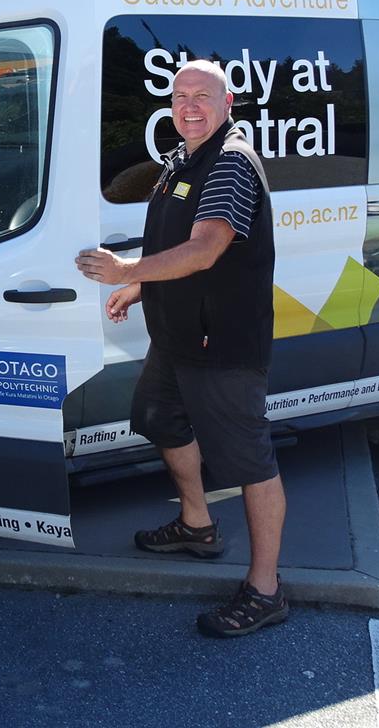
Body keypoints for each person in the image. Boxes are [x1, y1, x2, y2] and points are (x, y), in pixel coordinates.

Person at [75, 60, 286, 638]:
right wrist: (140, 285)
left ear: (229, 101)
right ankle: (197, 525)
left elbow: (205, 249)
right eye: (180, 96)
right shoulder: (182, 158)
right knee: (157, 416)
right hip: (176, 335)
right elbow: (175, 244)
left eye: (202, 96)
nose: (189, 106)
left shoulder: (231, 163)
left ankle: (265, 590)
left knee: (248, 460)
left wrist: (125, 268)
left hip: (222, 342)